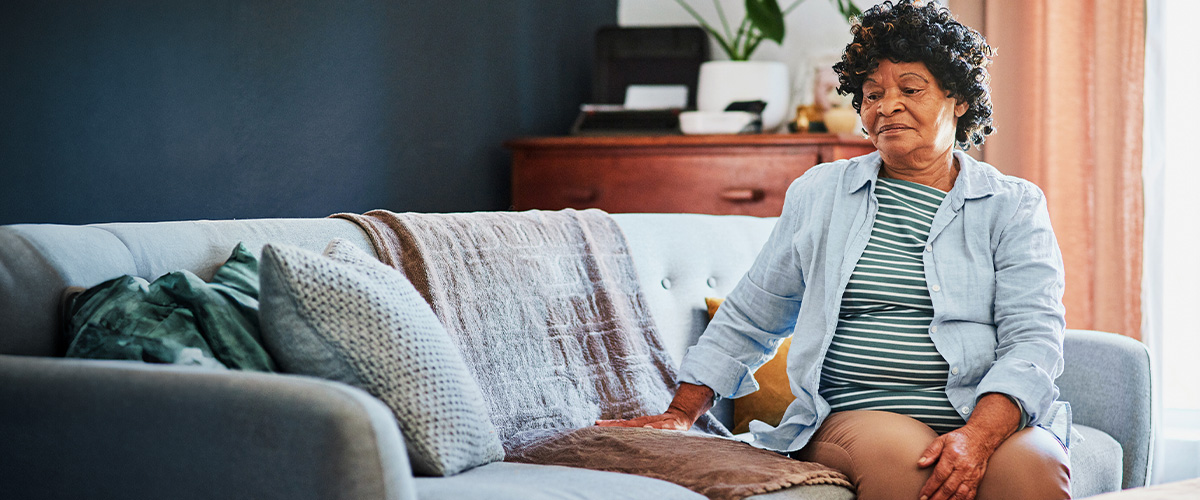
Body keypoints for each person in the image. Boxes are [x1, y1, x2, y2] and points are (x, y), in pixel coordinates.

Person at [597, 1, 1073, 499]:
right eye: (872, 94)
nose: (886, 106)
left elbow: (1033, 340)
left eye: (910, 89)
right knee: (908, 464)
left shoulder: (1012, 205)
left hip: (979, 408)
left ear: (958, 99)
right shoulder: (821, 193)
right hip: (860, 412)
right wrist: (681, 414)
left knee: (1033, 470)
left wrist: (977, 436)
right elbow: (753, 314)